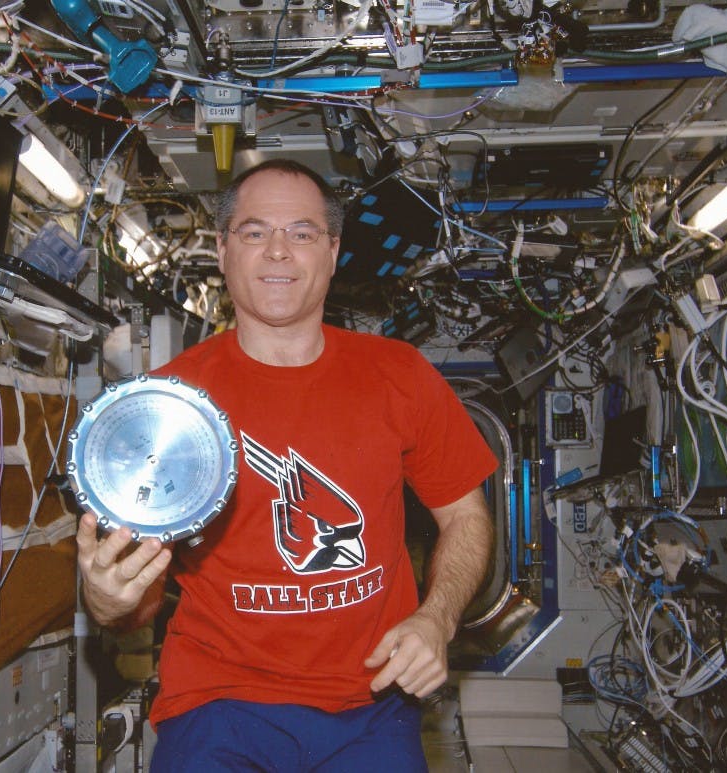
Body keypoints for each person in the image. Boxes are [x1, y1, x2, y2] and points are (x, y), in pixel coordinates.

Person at [76, 159, 498, 771]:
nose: (278, 252)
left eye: (301, 233)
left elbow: (466, 516)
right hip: (220, 703)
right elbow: (135, 602)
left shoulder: (399, 375)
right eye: (253, 232)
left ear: (331, 252)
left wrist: (436, 619)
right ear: (222, 251)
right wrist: (108, 597)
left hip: (372, 703)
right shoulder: (168, 408)